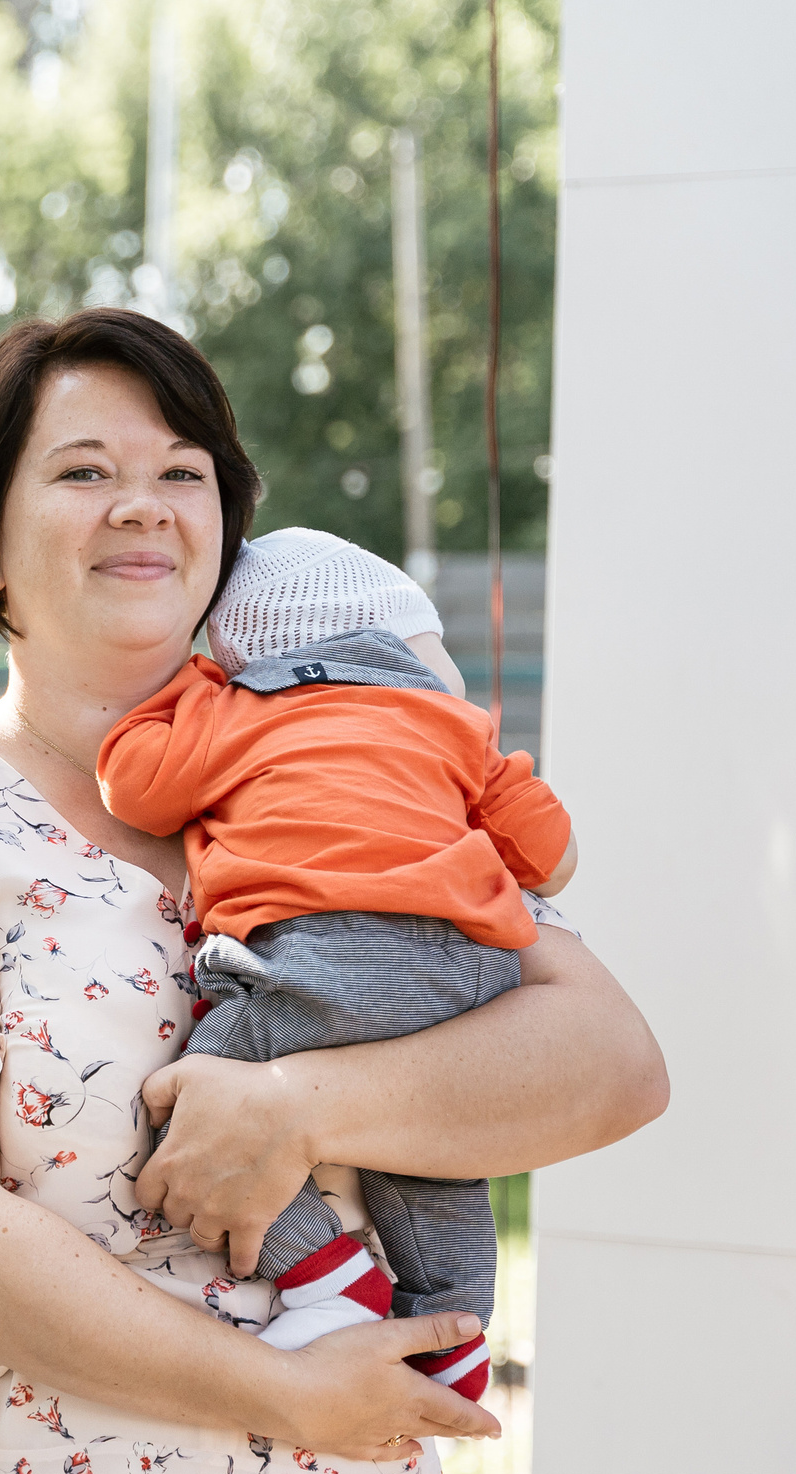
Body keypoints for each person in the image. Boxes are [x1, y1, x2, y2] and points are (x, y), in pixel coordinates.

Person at [0, 308, 665, 1474]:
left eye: (183, 470)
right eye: (81, 469)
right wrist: (281, 1391)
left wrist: (298, 1103)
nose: (142, 502)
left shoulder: (351, 759)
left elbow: (611, 1061)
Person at [97, 528, 577, 1402]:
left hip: (320, 965)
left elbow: (134, 784)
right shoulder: (455, 728)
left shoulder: (236, 711)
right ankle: (459, 1339)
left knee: (197, 1111)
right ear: (399, 641)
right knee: (433, 1160)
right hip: (461, 977)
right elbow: (549, 855)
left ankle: (327, 1279)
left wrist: (190, 691)